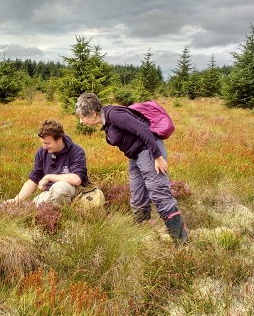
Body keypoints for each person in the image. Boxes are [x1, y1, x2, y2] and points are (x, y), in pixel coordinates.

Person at [75, 93, 187, 243]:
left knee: (159, 193)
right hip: (136, 157)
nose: (81, 122)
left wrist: (158, 157)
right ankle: (144, 235)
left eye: (82, 117)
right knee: (138, 197)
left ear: (93, 113)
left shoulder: (114, 115)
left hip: (149, 151)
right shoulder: (107, 121)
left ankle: (181, 240)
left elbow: (143, 130)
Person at [6, 119, 88, 205]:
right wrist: (16, 200)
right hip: (49, 192)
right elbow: (33, 180)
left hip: (72, 190)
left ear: (59, 139)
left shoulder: (76, 151)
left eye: (47, 143)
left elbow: (77, 179)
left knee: (58, 189)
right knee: (36, 204)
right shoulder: (41, 152)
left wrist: (49, 177)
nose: (44, 147)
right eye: (42, 143)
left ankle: (62, 213)